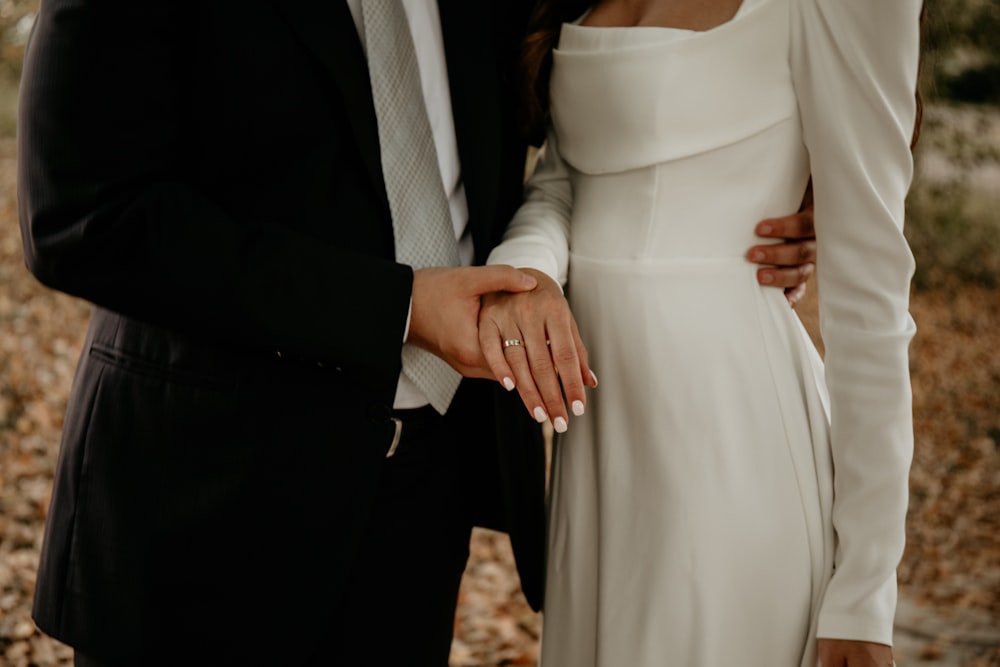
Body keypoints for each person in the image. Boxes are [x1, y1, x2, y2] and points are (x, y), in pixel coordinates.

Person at [16, 1, 816, 665]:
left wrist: (785, 177)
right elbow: (83, 216)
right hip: (203, 510)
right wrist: (396, 307)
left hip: (419, 502)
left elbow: (597, 115)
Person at [481, 0, 922, 665]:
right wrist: (524, 275)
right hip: (600, 451)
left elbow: (872, 305)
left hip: (734, 446)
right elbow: (562, 177)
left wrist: (865, 588)